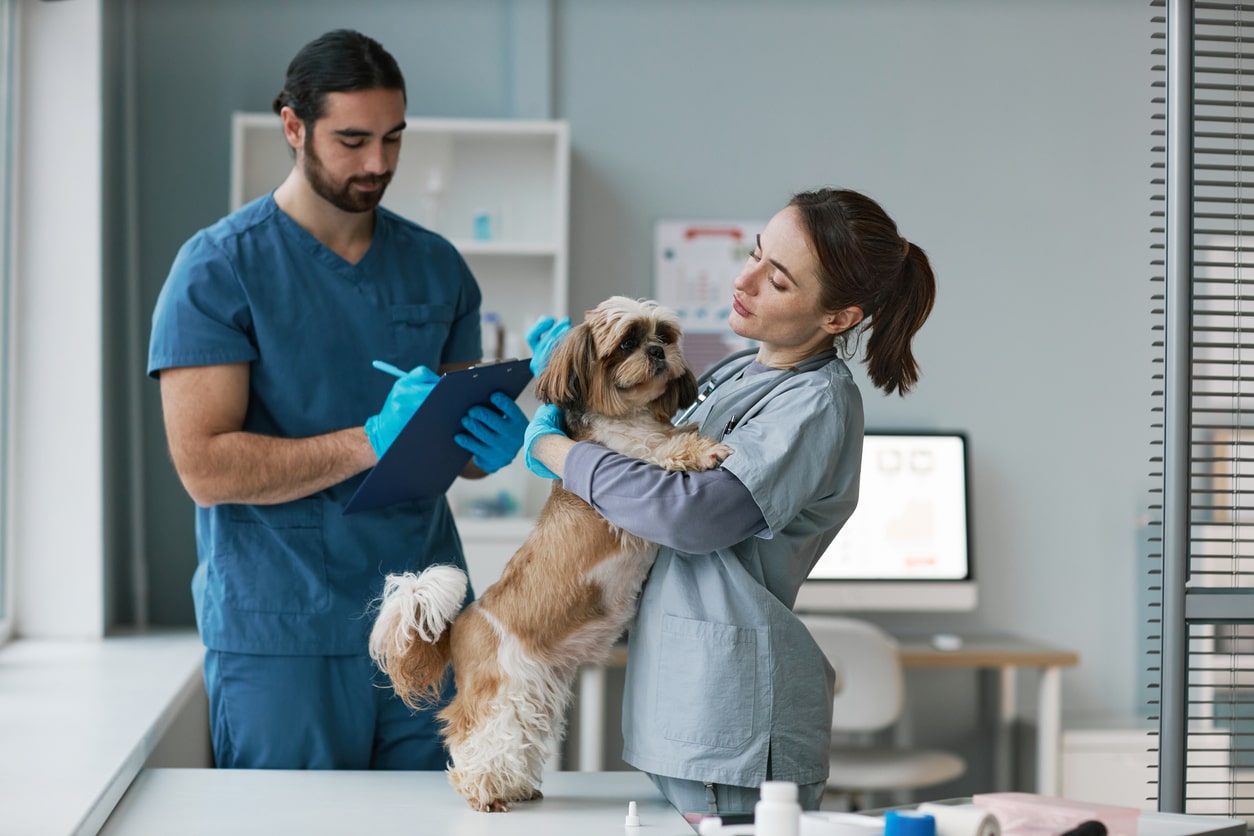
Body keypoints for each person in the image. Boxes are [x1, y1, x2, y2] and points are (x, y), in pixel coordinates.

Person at [147, 29, 565, 770]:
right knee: (293, 820)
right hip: (284, 633)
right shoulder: (217, 270)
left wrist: (495, 438)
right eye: (352, 140)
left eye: (393, 138)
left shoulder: (436, 267)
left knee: (439, 817)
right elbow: (205, 467)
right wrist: (370, 439)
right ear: (293, 127)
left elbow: (456, 453)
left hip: (425, 619)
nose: (378, 163)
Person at [524, 187, 936, 814]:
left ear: (838, 318)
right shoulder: (738, 371)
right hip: (685, 699)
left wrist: (558, 452)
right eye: (754, 253)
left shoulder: (815, 402)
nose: (744, 280)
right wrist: (578, 388)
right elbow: (650, 450)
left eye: (778, 279)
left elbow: (690, 513)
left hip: (735, 718)